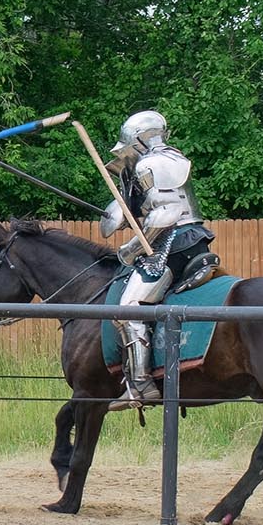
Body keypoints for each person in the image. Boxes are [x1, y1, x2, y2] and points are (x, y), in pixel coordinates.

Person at [100, 110, 222, 412]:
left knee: (128, 310)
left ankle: (141, 386)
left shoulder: (154, 162)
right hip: (184, 239)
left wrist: (132, 248)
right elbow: (128, 214)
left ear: (141, 137)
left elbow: (166, 213)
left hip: (174, 243)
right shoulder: (159, 160)